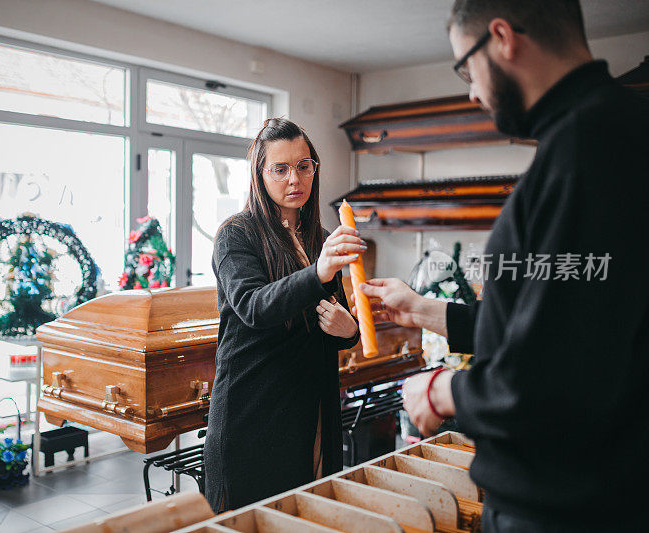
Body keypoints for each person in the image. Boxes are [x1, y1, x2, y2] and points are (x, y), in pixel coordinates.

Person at [357, 1, 649, 530]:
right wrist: (428, 310)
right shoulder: (613, 129)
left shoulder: (583, 153)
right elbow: (555, 320)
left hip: (567, 506)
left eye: (468, 69)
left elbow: (551, 378)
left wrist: (441, 391)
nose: (472, 90)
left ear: (502, 38)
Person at [204, 118, 362, 512]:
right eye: (280, 168)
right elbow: (254, 306)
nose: (295, 179)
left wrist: (349, 331)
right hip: (254, 411)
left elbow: (331, 315)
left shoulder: (320, 238)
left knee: (307, 516)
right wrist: (319, 271)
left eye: (304, 166)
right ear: (260, 175)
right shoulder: (235, 235)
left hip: (311, 409)